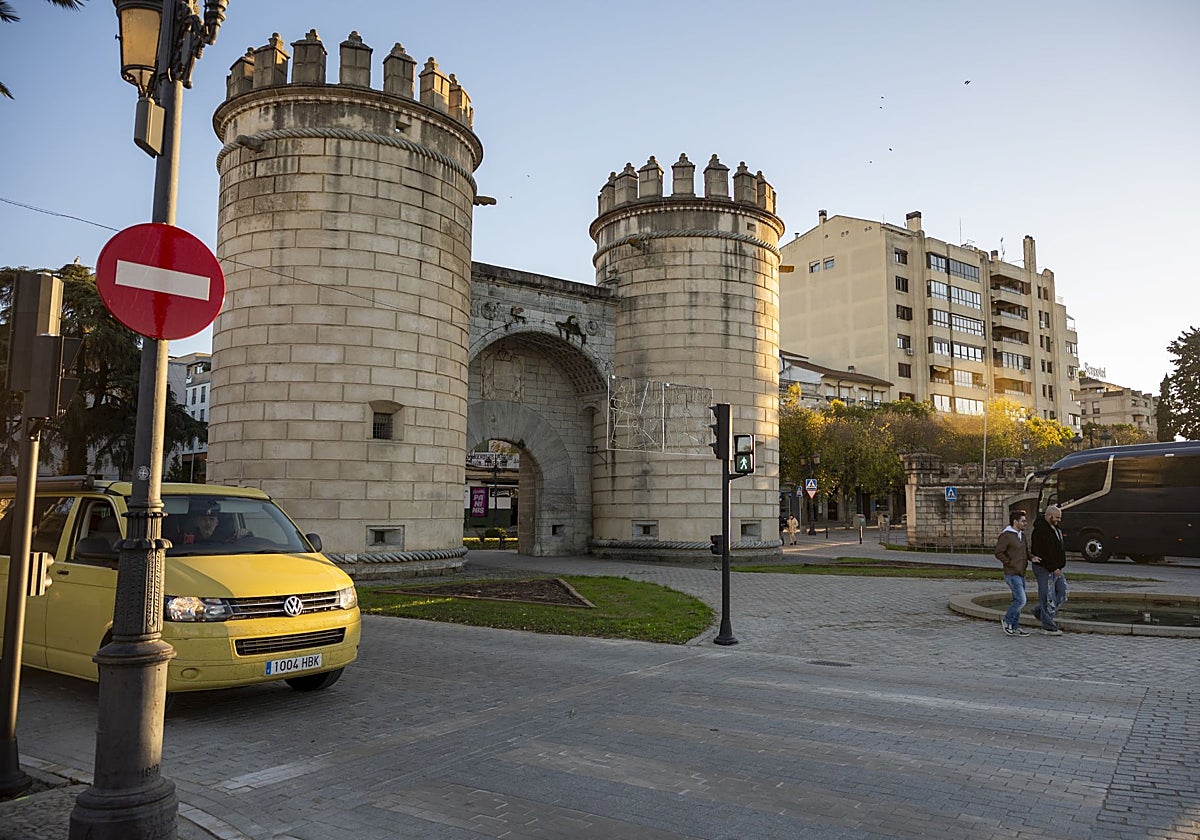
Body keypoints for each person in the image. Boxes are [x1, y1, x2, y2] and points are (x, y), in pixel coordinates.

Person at [1030, 504, 1068, 635]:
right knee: (1047, 596)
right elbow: (1042, 552)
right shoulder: (1040, 531)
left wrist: (1059, 565)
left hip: (1056, 567)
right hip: (1044, 568)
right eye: (1057, 517)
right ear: (1049, 516)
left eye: (1060, 517)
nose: (1059, 520)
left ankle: (1040, 612)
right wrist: (1053, 567)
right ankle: (1048, 626)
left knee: (1063, 592)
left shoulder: (1056, 529)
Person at [994, 509, 1031, 636]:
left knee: (1017, 600)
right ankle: (1007, 620)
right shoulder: (1006, 536)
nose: (1025, 523)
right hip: (1012, 573)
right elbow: (999, 552)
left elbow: (1026, 551)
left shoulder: (1022, 536)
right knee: (1021, 600)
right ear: (1015, 522)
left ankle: (1015, 626)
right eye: (1023, 521)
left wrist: (1032, 558)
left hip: (1021, 572)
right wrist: (1009, 562)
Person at [181, 502, 249, 545]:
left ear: (217, 523)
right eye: (204, 519)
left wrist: (246, 534)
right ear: (197, 522)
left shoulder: (228, 539)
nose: (208, 523)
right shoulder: (185, 540)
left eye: (211, 519)